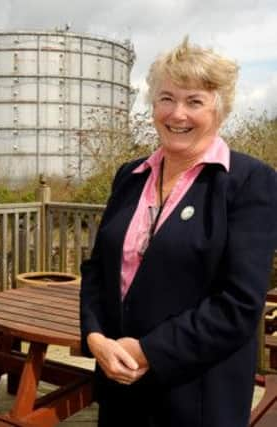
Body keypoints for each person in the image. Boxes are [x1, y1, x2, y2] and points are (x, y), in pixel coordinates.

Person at [80, 38, 277, 427]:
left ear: (219, 110)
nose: (177, 114)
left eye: (194, 101)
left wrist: (149, 351)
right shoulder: (129, 176)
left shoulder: (250, 182)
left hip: (196, 397)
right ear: (153, 106)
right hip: (120, 385)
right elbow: (97, 270)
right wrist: (95, 337)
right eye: (166, 98)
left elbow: (237, 304)